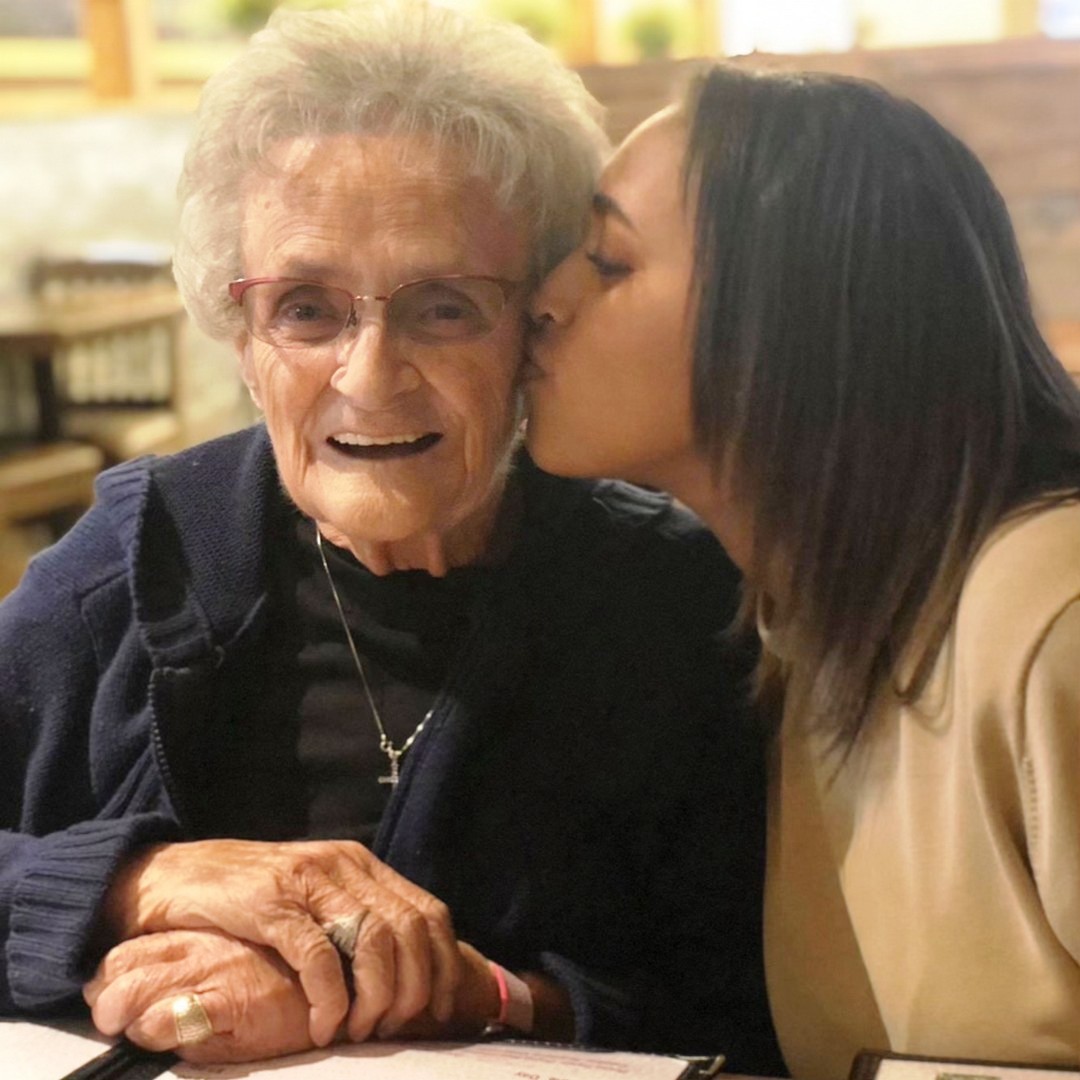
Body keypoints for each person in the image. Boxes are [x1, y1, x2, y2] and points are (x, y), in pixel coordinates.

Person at [0, 3, 783, 1071]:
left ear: (538, 323)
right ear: (241, 337)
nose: (369, 379)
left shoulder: (667, 603)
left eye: (444, 307)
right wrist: (139, 881)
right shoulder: (140, 563)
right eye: (305, 308)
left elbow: (750, 1007)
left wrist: (489, 996)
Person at [526, 64, 1080, 1080]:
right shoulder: (808, 625)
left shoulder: (1048, 615)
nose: (545, 301)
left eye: (607, 263)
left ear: (792, 314)